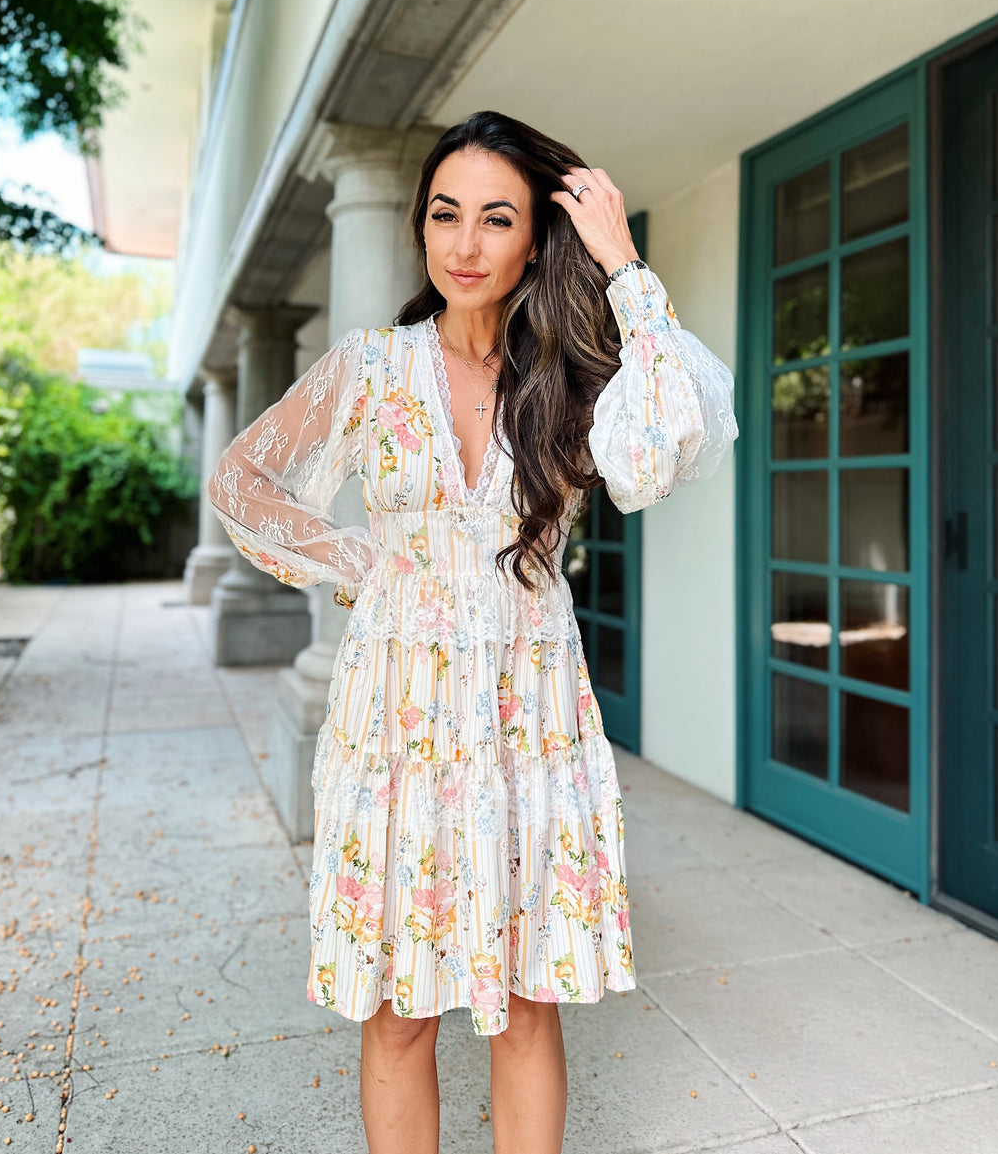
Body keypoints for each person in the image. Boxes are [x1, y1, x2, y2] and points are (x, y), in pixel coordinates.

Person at [209, 109, 738, 1154]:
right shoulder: (369, 368)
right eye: (445, 214)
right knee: (400, 1004)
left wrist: (626, 267)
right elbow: (243, 480)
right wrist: (362, 564)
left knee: (526, 995)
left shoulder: (572, 380)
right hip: (395, 720)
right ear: (419, 227)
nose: (464, 243)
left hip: (529, 716)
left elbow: (665, 447)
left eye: (496, 219)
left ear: (533, 238)